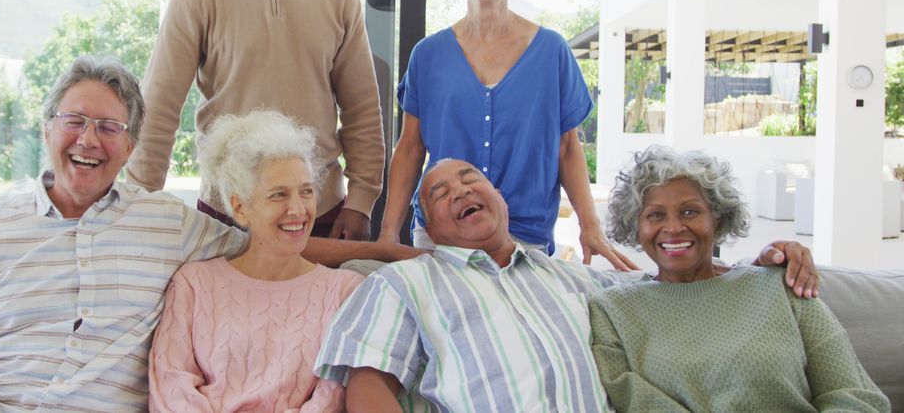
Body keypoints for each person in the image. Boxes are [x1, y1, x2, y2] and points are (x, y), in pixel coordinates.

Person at [0, 56, 415, 412]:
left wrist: (384, 250)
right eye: (74, 121)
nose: (89, 139)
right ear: (46, 128)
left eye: (110, 128)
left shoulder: (168, 222)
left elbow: (272, 241)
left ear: (131, 146)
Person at [315, 158, 821, 411]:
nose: (460, 190)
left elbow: (678, 281)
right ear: (429, 224)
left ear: (497, 195)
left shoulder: (576, 279)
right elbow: (370, 382)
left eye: (471, 178)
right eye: (440, 193)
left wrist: (761, 267)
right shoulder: (404, 283)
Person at [127, 0, 383, 242]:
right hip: (227, 211)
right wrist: (140, 203)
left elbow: (362, 111)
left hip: (319, 211)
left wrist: (361, 201)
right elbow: (159, 109)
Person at [377, 0, 630, 270]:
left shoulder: (552, 52)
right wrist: (388, 234)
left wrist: (591, 227)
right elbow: (410, 148)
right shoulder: (427, 56)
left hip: (525, 235)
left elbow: (568, 147)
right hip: (441, 238)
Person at [589, 146, 889, 412]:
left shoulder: (780, 286)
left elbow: (856, 395)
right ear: (636, 227)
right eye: (655, 215)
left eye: (690, 211)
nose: (674, 227)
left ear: (717, 220)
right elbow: (637, 402)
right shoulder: (613, 310)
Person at [149, 110, 363, 412]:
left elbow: (334, 396)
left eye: (306, 192)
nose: (298, 209)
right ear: (240, 208)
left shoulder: (345, 292)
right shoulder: (193, 284)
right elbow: (170, 388)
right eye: (278, 195)